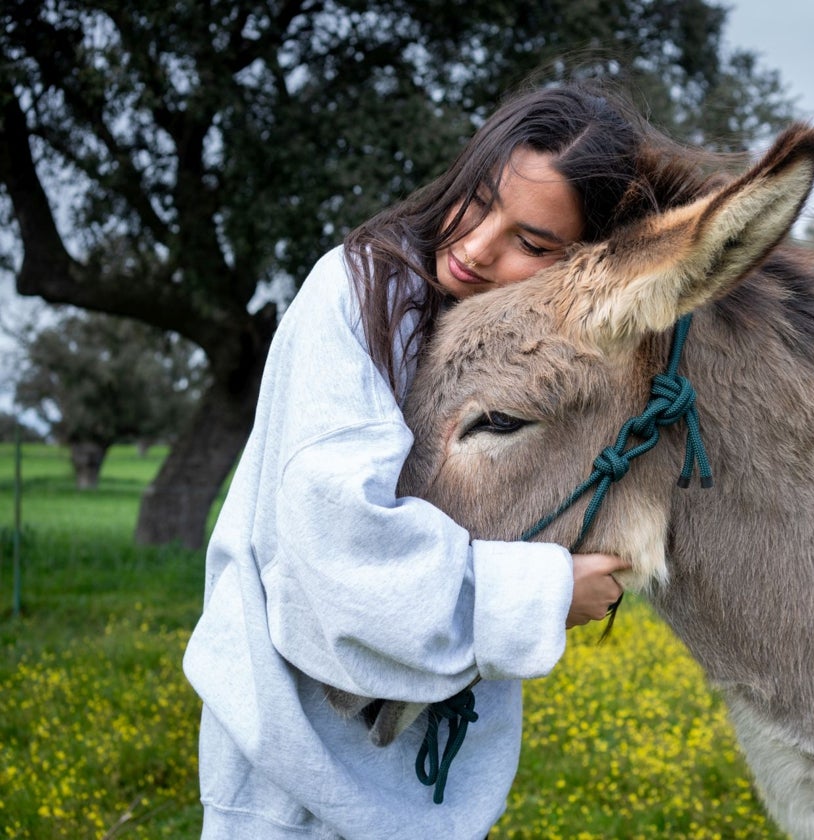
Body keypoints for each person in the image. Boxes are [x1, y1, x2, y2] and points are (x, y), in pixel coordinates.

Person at [182, 79, 693, 839]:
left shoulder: (511, 345)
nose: (476, 248)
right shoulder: (356, 295)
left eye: (532, 243)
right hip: (290, 784)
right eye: (479, 199)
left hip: (431, 791)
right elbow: (337, 556)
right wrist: (542, 597)